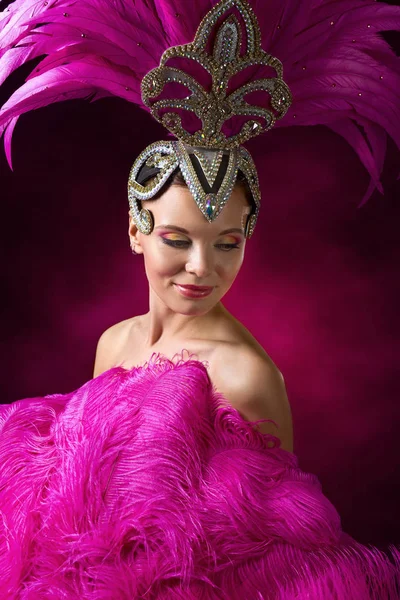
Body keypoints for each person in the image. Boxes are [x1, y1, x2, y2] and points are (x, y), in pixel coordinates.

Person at [0, 0, 399, 598]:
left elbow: (278, 560)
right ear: (136, 230)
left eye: (227, 243)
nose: (201, 268)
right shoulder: (115, 343)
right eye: (177, 239)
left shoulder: (245, 375)